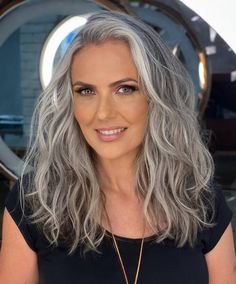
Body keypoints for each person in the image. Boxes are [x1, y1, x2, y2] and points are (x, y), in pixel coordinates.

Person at [0, 10, 235, 284]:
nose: (103, 114)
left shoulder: (200, 203)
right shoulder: (36, 203)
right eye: (86, 91)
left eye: (124, 89)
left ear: (156, 97)